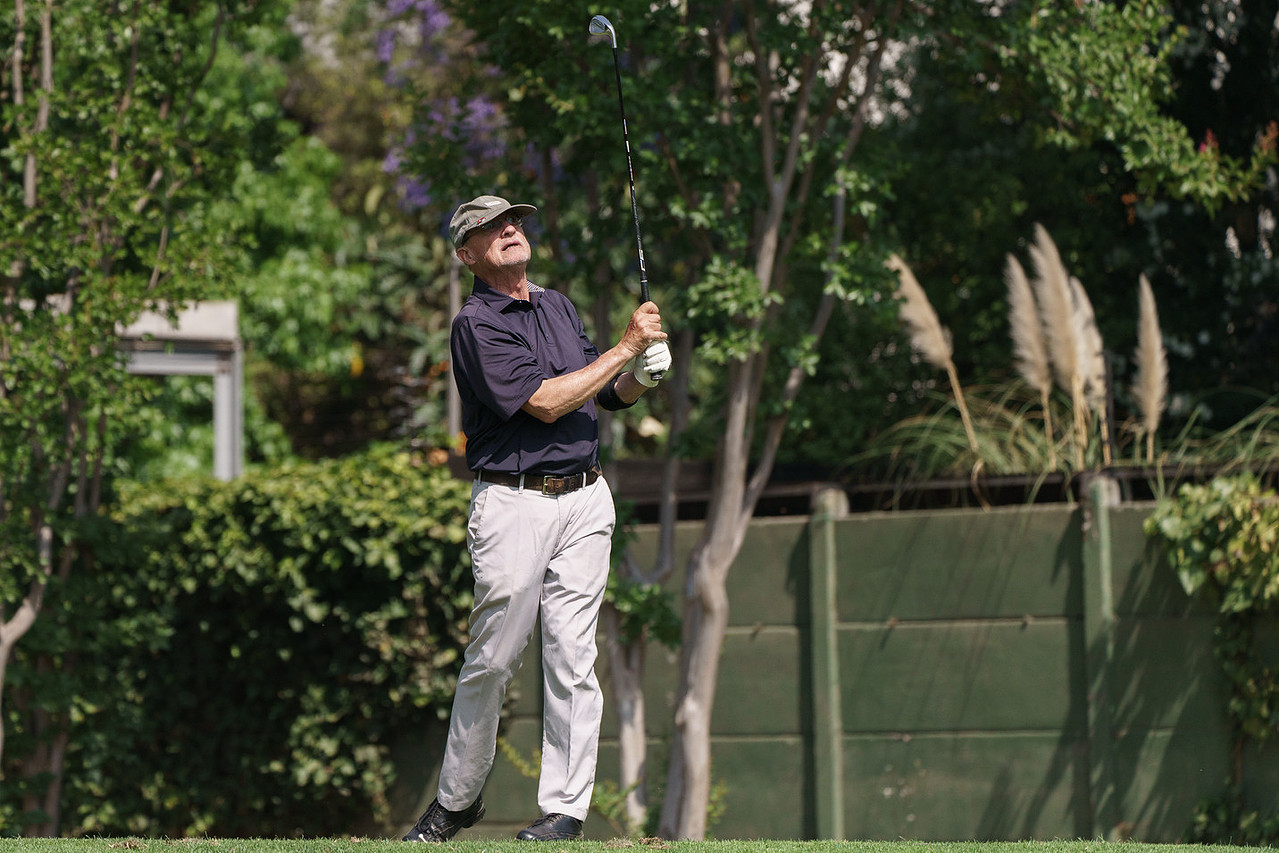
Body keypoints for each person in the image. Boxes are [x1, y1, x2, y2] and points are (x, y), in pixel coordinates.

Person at [401, 194, 672, 843]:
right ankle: (457, 800)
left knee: (573, 656)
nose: (508, 229)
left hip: (586, 498)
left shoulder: (557, 306)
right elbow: (547, 402)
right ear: (466, 253)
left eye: (513, 221)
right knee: (493, 659)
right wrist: (626, 346)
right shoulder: (475, 324)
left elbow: (602, 393)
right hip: (513, 503)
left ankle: (564, 810)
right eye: (489, 227)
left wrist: (641, 376)